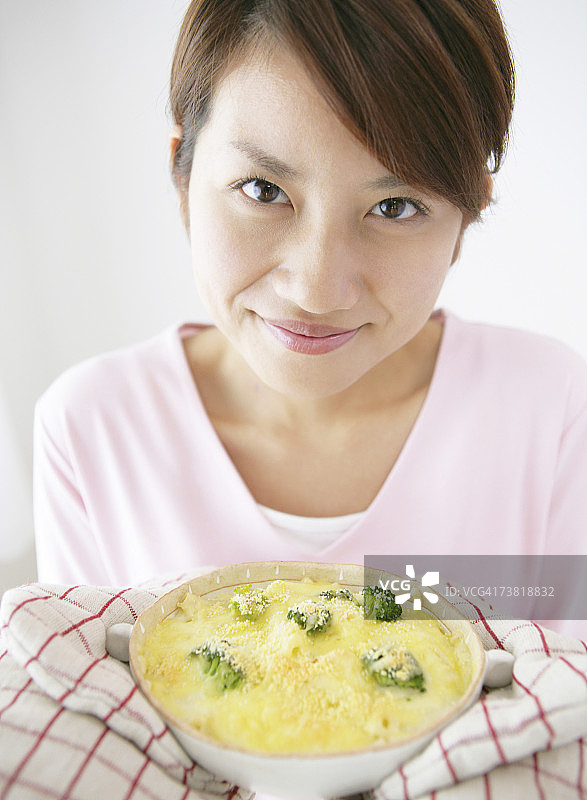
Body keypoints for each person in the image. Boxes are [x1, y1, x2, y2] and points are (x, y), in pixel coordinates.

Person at [33, 0, 587, 636]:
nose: (318, 290)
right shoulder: (92, 433)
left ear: (467, 215)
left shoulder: (551, 412)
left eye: (396, 206)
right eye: (263, 191)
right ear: (183, 179)